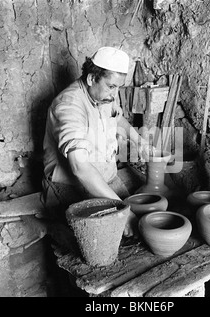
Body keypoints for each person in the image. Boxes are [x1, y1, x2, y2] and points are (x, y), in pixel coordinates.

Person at [41, 47, 152, 237]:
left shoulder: (104, 94)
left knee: (142, 223)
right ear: (92, 78)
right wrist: (123, 213)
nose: (115, 94)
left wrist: (138, 140)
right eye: (111, 86)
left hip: (106, 177)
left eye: (119, 87)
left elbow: (116, 118)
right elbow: (80, 168)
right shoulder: (69, 106)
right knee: (105, 239)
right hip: (71, 186)